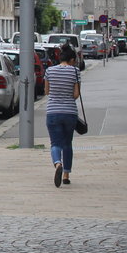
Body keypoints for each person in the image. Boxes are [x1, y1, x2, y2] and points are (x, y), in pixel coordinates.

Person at [43, 44, 82, 187]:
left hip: (53, 112)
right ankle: (66, 175)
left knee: (55, 143)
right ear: (71, 59)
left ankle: (57, 163)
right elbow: (76, 94)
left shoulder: (49, 71)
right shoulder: (75, 71)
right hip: (70, 112)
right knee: (67, 143)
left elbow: (47, 91)